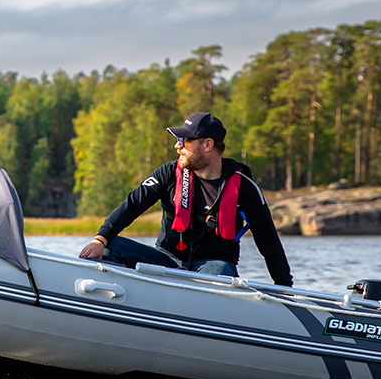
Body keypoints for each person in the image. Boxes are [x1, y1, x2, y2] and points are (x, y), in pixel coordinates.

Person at [78, 112, 293, 287]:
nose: (177, 146)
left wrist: (285, 288)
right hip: (165, 259)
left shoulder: (245, 188)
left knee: (220, 274)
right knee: (110, 246)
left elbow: (268, 241)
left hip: (213, 266)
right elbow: (132, 205)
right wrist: (100, 239)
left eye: (184, 141)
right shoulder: (168, 173)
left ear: (208, 145)